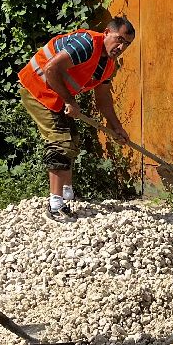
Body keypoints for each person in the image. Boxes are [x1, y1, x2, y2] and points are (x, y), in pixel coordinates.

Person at [18, 18, 136, 221]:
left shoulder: (108, 64)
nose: (121, 47)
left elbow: (104, 100)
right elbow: (50, 69)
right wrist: (70, 100)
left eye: (126, 43)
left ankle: (66, 195)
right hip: (37, 88)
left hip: (55, 95)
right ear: (107, 32)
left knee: (72, 139)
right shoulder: (86, 44)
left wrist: (116, 127)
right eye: (119, 39)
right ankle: (55, 205)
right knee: (60, 142)